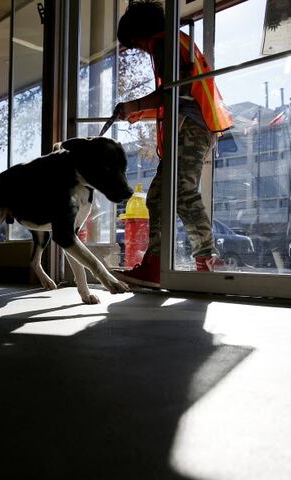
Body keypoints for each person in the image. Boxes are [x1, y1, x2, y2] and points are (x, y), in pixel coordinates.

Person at [110, 0, 233, 288]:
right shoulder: (177, 42)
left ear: (140, 33)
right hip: (196, 124)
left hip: (191, 127)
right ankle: (180, 261)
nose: (140, 50)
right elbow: (177, 98)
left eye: (135, 44)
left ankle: (174, 263)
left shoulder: (163, 44)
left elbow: (170, 94)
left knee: (175, 191)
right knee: (168, 194)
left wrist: (134, 105)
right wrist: (138, 111)